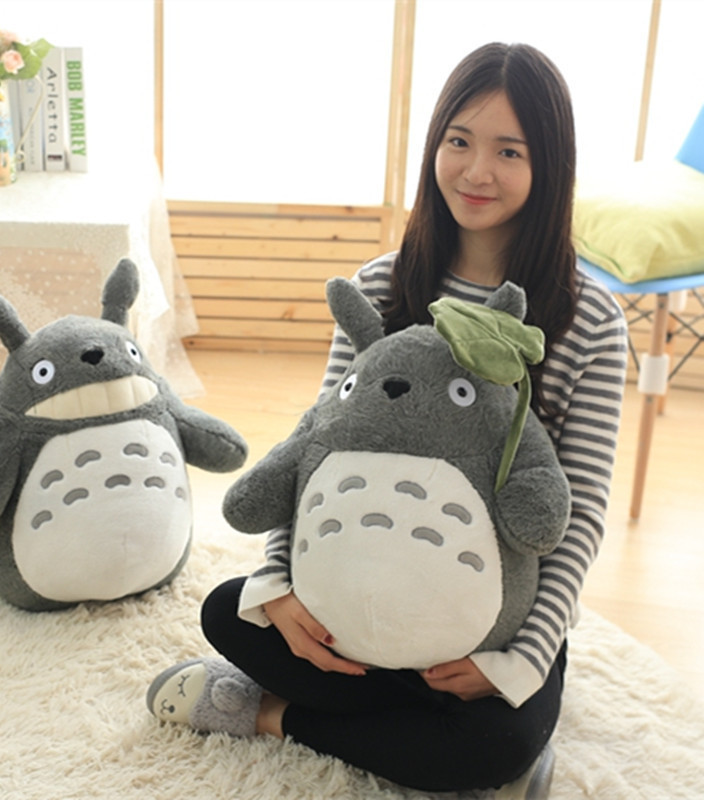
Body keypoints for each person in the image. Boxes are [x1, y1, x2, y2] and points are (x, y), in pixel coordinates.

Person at [146, 42, 628, 797]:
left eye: (509, 151)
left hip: (487, 616)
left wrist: (523, 656)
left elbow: (583, 509)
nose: (476, 171)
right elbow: (315, 449)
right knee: (229, 612)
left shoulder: (590, 319)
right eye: (459, 141)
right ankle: (408, 734)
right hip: (355, 589)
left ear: (550, 166)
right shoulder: (379, 286)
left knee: (497, 741)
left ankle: (274, 714)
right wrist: (280, 583)